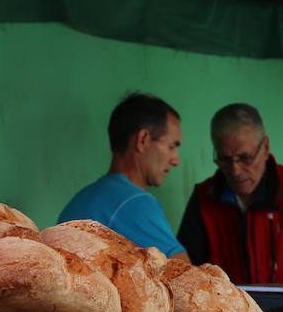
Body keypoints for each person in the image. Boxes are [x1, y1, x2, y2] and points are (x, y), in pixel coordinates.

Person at [177, 103, 283, 285]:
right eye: (225, 159)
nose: (235, 171)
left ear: (265, 148)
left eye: (245, 158)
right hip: (224, 311)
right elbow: (189, 273)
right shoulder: (203, 197)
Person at [58, 92, 189, 260]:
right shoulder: (135, 202)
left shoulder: (79, 200)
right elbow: (184, 275)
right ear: (143, 140)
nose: (175, 160)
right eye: (172, 146)